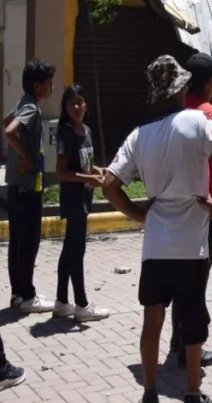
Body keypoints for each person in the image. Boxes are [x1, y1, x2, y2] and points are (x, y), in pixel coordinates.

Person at [102, 55, 212, 403]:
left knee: (152, 319)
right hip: (192, 245)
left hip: (156, 246)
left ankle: (149, 391)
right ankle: (193, 392)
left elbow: (109, 184)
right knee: (191, 323)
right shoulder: (200, 121)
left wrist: (137, 214)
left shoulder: (139, 135)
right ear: (180, 88)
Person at [168, 53, 212, 369]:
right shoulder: (208, 114)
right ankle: (189, 350)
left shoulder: (177, 110)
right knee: (196, 284)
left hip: (174, 208)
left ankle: (177, 340)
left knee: (180, 280)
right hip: (199, 210)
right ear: (210, 83)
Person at [52, 85, 110, 322]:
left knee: (69, 249)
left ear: (86, 104)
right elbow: (61, 171)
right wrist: (88, 179)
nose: (77, 107)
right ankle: (82, 305)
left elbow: (86, 164)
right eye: (72, 103)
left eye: (80, 102)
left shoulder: (86, 131)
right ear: (65, 108)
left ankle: (61, 302)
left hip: (85, 197)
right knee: (77, 250)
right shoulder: (66, 133)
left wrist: (99, 170)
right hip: (73, 198)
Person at [4, 58, 56, 314]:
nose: (52, 87)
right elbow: (10, 131)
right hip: (28, 187)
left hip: (17, 186)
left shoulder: (23, 102)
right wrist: (25, 156)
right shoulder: (31, 109)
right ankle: (27, 295)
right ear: (37, 86)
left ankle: (17, 294)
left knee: (18, 242)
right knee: (28, 242)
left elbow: (6, 121)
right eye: (48, 83)